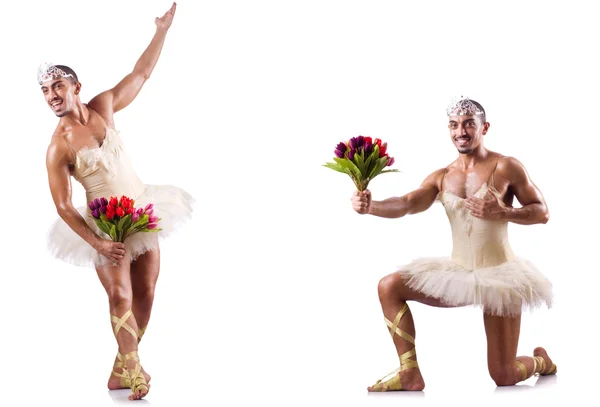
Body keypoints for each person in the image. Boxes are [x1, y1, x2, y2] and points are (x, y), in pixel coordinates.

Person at [351, 97, 555, 392]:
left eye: (469, 124)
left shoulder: (507, 166)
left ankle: (542, 362)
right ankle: (409, 373)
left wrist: (503, 212)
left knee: (504, 375)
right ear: (449, 130)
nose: (462, 131)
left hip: (501, 276)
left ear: (484, 127)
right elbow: (407, 203)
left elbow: (542, 212)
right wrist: (371, 206)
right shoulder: (442, 176)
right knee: (389, 285)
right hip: (458, 272)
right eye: (454, 125)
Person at [42, 2, 192, 400]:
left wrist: (161, 30)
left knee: (145, 294)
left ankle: (120, 369)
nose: (51, 95)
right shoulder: (58, 147)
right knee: (119, 294)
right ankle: (136, 373)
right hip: (104, 225)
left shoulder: (104, 106)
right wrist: (99, 243)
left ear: (76, 87)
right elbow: (63, 206)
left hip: (142, 210)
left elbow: (140, 74)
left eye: (57, 86)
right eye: (44, 90)